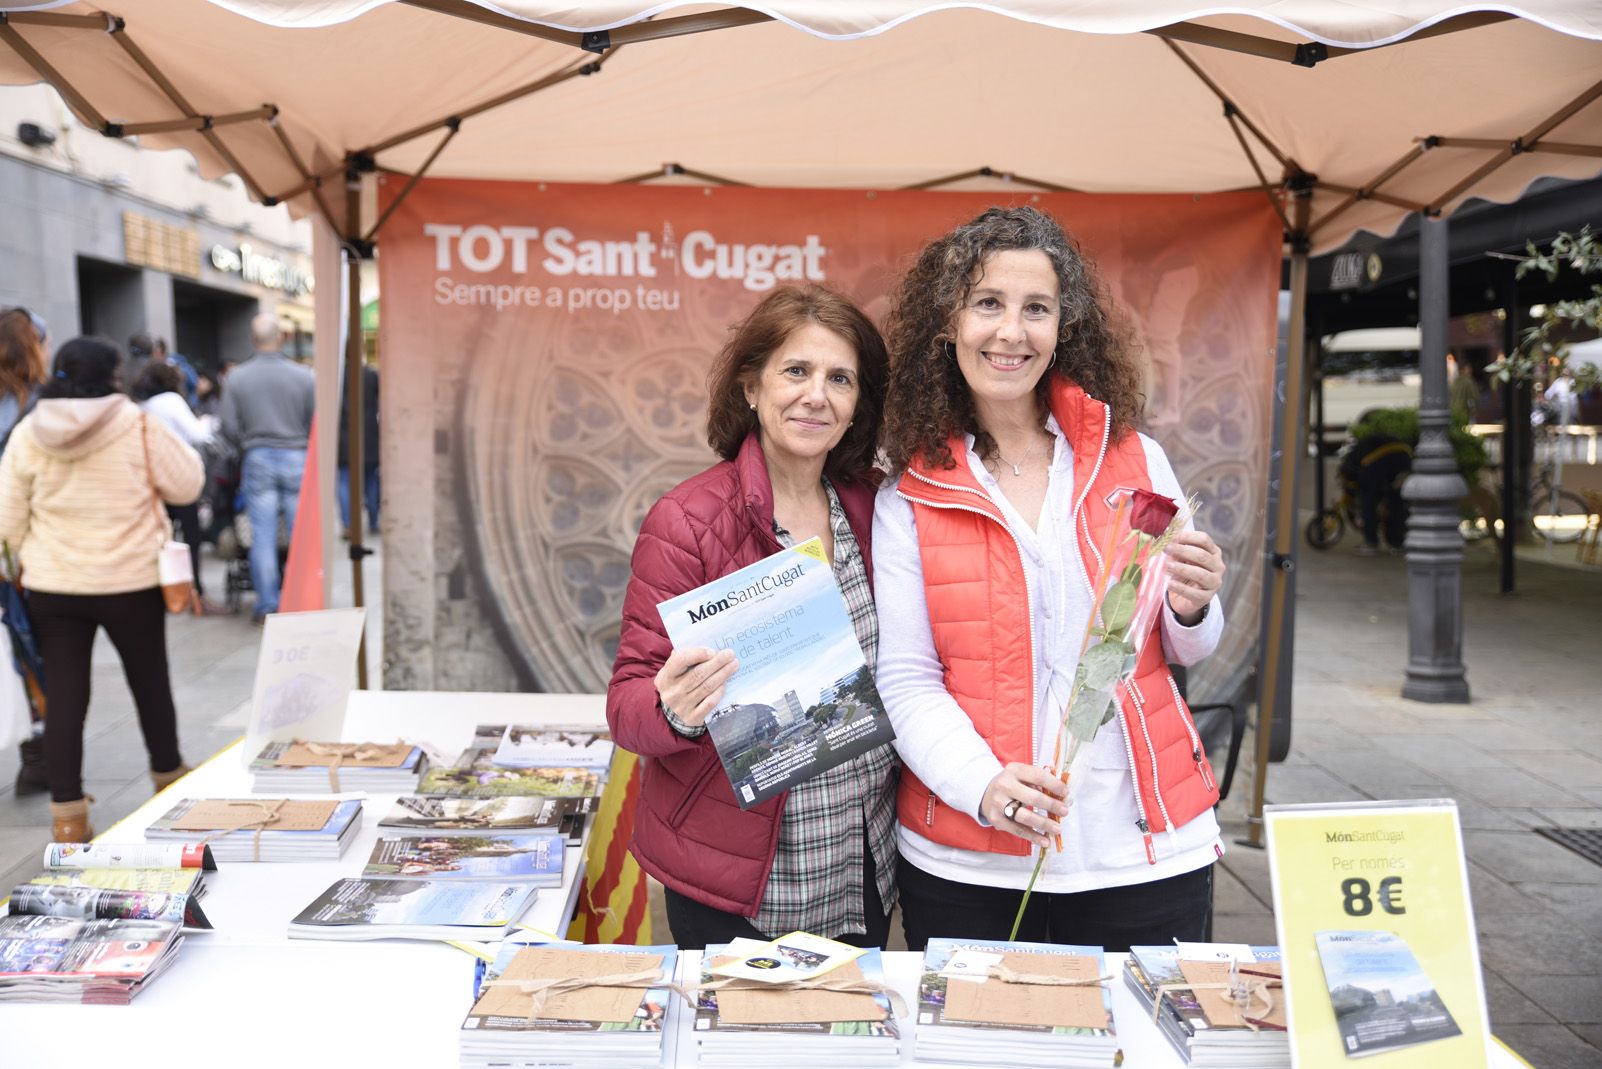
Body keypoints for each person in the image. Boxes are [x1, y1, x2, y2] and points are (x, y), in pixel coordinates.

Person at [874, 206, 1227, 952]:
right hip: (973, 865)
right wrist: (983, 784)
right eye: (988, 304)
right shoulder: (910, 493)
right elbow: (905, 678)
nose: (1012, 331)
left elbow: (1182, 649)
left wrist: (1193, 606)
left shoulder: (1136, 459)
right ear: (948, 322)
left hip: (1143, 852)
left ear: (1065, 326)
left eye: (1037, 308)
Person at [607, 284, 895, 950]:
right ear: (750, 388)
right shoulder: (687, 522)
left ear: (857, 406)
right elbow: (627, 708)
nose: (815, 394)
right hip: (738, 883)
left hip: (863, 863)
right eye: (796, 371)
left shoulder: (878, 511)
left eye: (840, 378)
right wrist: (675, 709)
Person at [0, 337, 204, 842]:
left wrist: (32, 555)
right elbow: (188, 486)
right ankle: (168, 785)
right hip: (130, 581)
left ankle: (68, 818)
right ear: (114, 375)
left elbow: (6, 519)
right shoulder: (136, 424)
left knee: (65, 695)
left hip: (54, 586)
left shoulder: (29, 432)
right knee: (149, 681)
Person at [220, 315, 314, 622]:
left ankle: (267, 604)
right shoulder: (304, 376)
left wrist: (249, 442)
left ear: (252, 339)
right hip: (297, 455)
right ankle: (301, 599)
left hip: (258, 456)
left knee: (262, 535)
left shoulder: (237, 378)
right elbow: (316, 420)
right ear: (283, 338)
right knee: (301, 535)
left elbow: (229, 426)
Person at [0, 307, 51, 795]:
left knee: (20, 646)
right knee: (34, 648)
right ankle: (40, 754)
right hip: (24, 546)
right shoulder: (38, 405)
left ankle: (35, 754)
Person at [131, 361, 228, 615]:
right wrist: (208, 421)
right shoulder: (172, 400)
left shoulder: (142, 406)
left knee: (162, 540)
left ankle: (166, 595)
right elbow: (198, 434)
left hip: (152, 482)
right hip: (178, 478)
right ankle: (196, 595)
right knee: (191, 540)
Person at [1340, 430, 1412, 554]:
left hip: (1383, 463)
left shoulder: (1355, 462)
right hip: (1404, 459)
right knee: (1396, 501)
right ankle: (1396, 542)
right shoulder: (1363, 450)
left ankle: (1371, 542)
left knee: (1368, 502)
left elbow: (1360, 483)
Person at [337, 360, 380, 535]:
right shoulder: (371, 376)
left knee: (345, 482)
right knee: (371, 480)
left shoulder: (339, 377)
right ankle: (373, 521)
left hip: (346, 437)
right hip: (369, 436)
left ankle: (348, 524)